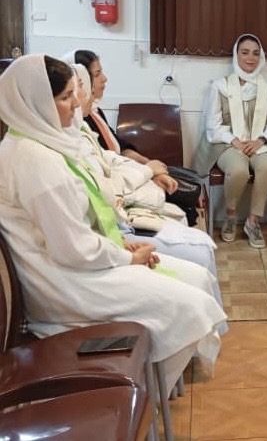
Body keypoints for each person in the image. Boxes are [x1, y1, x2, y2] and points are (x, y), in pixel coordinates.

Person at [0, 54, 227, 391]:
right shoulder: (35, 161)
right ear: (34, 102)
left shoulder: (41, 143)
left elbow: (77, 227)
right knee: (191, 305)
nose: (76, 103)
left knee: (197, 279)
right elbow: (73, 249)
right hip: (65, 284)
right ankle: (145, 395)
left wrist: (120, 245)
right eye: (65, 96)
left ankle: (153, 385)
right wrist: (126, 257)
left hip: (80, 262)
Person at [70, 63, 223, 306]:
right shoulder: (56, 150)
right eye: (73, 90)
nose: (77, 99)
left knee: (200, 245)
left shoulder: (83, 126)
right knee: (198, 257)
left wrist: (150, 169)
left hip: (117, 229)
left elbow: (113, 156)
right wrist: (148, 172)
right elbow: (105, 188)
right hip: (111, 240)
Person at [194, 34, 267, 248]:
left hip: (260, 143)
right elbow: (213, 125)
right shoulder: (220, 86)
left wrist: (261, 139)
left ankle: (253, 222)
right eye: (245, 52)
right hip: (227, 143)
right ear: (236, 55)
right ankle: (230, 215)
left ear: (261, 57)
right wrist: (234, 140)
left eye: (255, 53)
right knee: (238, 170)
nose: (250, 58)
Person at [69, 49, 153, 164]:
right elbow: (103, 159)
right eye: (97, 74)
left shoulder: (95, 111)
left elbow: (117, 144)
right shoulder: (79, 120)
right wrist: (146, 168)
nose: (104, 78)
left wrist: (144, 162)